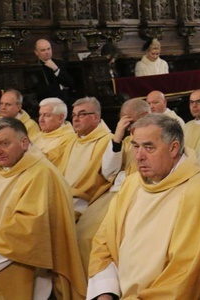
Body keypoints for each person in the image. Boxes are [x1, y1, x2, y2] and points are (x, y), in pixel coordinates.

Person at [86, 115, 200, 299]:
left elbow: (187, 272)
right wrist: (105, 291)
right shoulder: (131, 185)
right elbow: (104, 241)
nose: (139, 156)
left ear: (173, 148)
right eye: (136, 146)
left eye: (149, 147)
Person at [0, 117, 86, 299]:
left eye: (5, 143)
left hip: (20, 259)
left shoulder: (40, 173)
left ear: (24, 142)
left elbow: (26, 229)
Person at [75, 98, 150, 273]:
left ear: (144, 116)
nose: (126, 124)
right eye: (122, 119)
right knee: (81, 234)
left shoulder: (157, 139)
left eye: (128, 120)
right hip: (115, 194)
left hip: (138, 195)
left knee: (93, 239)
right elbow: (109, 172)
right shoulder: (125, 142)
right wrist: (117, 138)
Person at [49, 97, 114, 220]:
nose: (75, 119)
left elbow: (110, 175)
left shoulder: (108, 141)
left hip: (84, 199)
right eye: (73, 115)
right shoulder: (72, 139)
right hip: (61, 193)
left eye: (82, 114)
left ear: (96, 117)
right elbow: (51, 158)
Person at [34, 97, 76, 163]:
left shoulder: (70, 139)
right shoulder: (37, 136)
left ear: (60, 118)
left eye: (46, 115)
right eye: (40, 115)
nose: (40, 119)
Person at [33, 38, 74, 103]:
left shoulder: (59, 63)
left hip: (64, 100)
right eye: (43, 50)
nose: (47, 52)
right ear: (36, 52)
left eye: (49, 49)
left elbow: (69, 83)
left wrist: (56, 69)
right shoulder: (34, 67)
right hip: (46, 102)